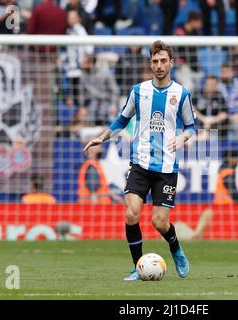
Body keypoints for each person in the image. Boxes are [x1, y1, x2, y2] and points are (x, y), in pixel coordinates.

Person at [83, 40, 196, 281]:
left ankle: (176, 249)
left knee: (159, 222)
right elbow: (122, 120)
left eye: (163, 61)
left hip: (166, 168)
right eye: (155, 61)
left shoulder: (181, 94)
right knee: (131, 214)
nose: (159, 65)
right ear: (150, 64)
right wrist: (100, 138)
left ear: (171, 63)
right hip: (140, 164)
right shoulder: (138, 91)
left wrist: (182, 138)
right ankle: (138, 266)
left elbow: (191, 127)